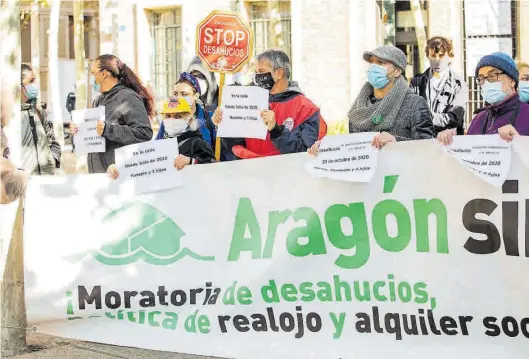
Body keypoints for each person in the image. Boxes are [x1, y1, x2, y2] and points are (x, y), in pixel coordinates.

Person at [309, 45, 434, 156]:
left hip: (401, 179)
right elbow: (352, 148)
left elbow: (429, 148)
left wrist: (396, 141)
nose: (374, 67)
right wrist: (327, 148)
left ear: (397, 71)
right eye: (372, 62)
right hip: (367, 180)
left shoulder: (415, 104)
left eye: (381, 62)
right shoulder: (359, 108)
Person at [213, 49, 327, 160]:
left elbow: (305, 153)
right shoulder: (248, 100)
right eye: (255, 71)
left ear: (279, 73)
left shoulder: (306, 108)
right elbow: (235, 145)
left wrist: (276, 130)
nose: (256, 76)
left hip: (287, 175)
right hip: (251, 172)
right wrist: (223, 123)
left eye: (261, 71)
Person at [70, 54, 154, 173]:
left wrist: (108, 129)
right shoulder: (98, 100)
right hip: (98, 174)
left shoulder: (128, 97)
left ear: (104, 73)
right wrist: (79, 130)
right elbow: (94, 132)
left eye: (93, 73)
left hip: (119, 175)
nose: (91, 78)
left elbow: (144, 133)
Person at [107, 97, 215, 179]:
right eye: (168, 116)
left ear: (189, 119)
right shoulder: (160, 146)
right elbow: (142, 167)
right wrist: (119, 168)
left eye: (177, 116)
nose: (172, 120)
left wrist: (191, 161)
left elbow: (214, 169)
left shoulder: (197, 143)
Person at [438, 52, 529, 144]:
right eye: (481, 79)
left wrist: (519, 142)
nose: (486, 83)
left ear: (512, 81)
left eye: (493, 76)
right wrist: (452, 140)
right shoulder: (478, 119)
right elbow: (468, 155)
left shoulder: (526, 113)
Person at [410, 37, 468, 135]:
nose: (437, 60)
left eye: (441, 55)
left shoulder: (459, 85)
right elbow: (409, 113)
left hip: (449, 143)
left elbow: (453, 118)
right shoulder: (416, 83)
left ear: (449, 57)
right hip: (421, 142)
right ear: (428, 56)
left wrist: (423, 119)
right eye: (433, 55)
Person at [20, 64, 61, 175]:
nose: (35, 85)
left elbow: (52, 140)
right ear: (19, 86)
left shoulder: (38, 109)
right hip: (24, 182)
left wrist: (54, 159)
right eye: (31, 81)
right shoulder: (10, 116)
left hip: (47, 178)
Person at [169, 72, 216, 151]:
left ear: (196, 96)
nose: (178, 98)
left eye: (184, 94)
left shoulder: (210, 118)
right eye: (175, 94)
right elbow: (159, 150)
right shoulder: (168, 120)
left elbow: (220, 152)